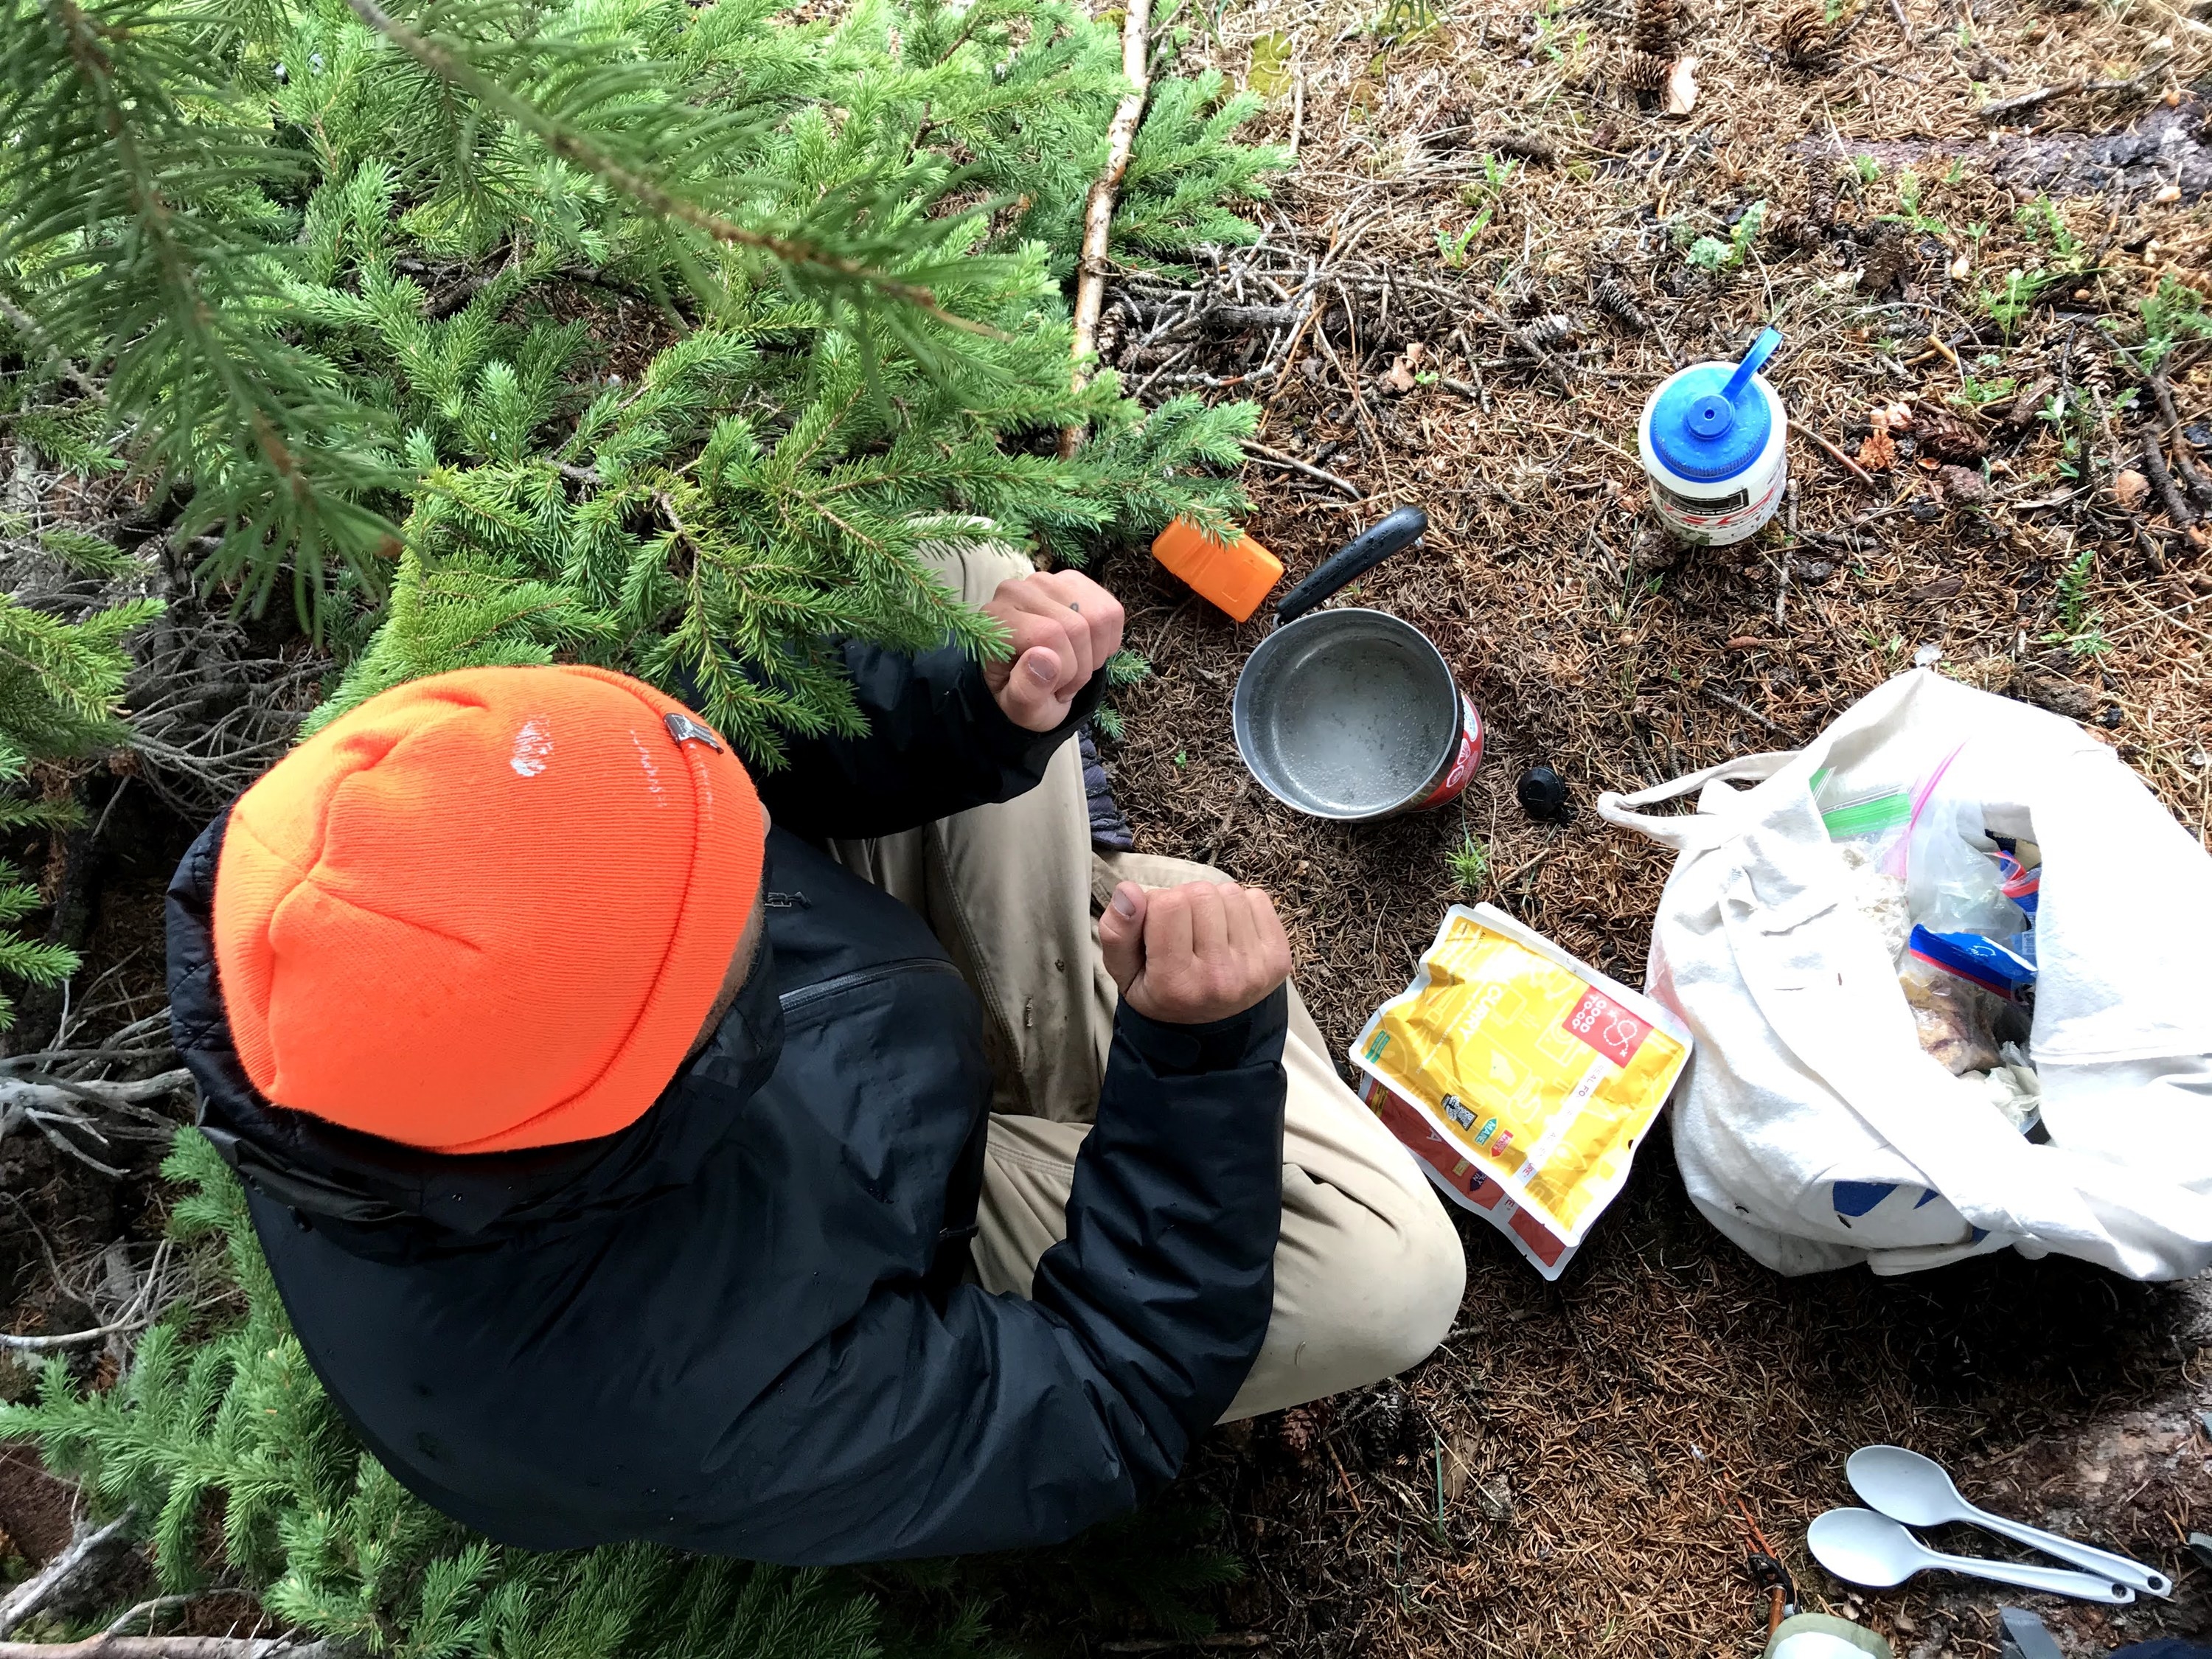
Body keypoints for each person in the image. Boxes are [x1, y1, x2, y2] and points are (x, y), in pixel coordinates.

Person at [164, 543, 1467, 1566]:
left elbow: (748, 765)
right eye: (718, 916)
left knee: (960, 586)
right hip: (888, 1217)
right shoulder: (675, 1387)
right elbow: (1097, 1402)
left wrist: (972, 712)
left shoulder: (358, 854)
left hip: (860, 1049)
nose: (756, 873)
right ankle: (1142, 991)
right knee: (1392, 1274)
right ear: (636, 1079)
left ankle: (1105, 955)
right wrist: (1199, 1062)